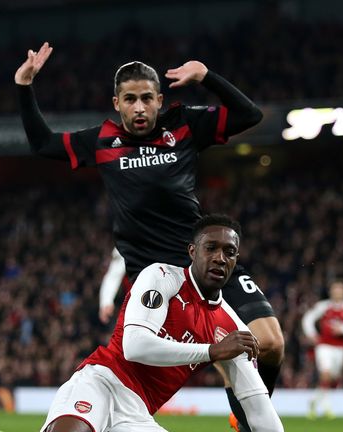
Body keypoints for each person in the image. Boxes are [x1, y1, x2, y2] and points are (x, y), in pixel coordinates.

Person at [16, 42, 284, 430]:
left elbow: (249, 114)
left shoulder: (185, 125)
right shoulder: (103, 141)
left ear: (160, 100)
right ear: (116, 103)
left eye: (146, 98)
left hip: (203, 264)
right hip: (154, 272)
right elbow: (44, 143)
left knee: (271, 343)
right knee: (147, 355)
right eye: (129, 99)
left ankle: (243, 419)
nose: (139, 108)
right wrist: (24, 87)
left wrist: (207, 77)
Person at [42, 215, 283, 432]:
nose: (220, 258)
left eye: (229, 252)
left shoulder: (232, 330)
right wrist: (211, 351)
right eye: (211, 248)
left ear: (236, 260)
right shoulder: (161, 277)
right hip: (102, 382)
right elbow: (135, 346)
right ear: (193, 251)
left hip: (137, 415)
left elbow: (260, 410)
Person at [301, 280, 343, 419]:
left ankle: (313, 401)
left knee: (333, 378)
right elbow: (308, 319)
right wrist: (312, 334)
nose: (337, 292)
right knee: (325, 374)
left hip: (341, 348)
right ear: (331, 292)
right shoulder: (323, 306)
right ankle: (327, 407)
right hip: (324, 345)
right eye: (335, 290)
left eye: (340, 290)